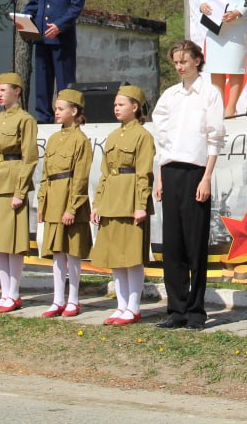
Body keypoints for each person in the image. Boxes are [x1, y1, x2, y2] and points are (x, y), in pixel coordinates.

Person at [151, 39, 224, 330]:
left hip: (196, 171)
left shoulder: (209, 94)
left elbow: (214, 137)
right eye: (176, 62)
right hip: (170, 170)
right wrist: (159, 176)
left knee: (195, 243)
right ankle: (176, 309)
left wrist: (207, 177)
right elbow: (162, 140)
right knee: (173, 244)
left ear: (197, 60)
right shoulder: (170, 96)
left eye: (184, 61)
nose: (180, 66)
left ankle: (196, 311)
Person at [90, 84, 156, 326]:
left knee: (131, 256)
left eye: (121, 104)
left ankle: (134, 307)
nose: (115, 108)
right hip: (111, 199)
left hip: (130, 199)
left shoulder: (143, 136)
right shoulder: (113, 136)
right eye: (115, 104)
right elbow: (104, 173)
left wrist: (140, 204)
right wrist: (97, 204)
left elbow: (144, 173)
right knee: (115, 257)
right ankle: (120, 305)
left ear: (135, 107)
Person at [0, 72, 39, 313]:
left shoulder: (25, 120)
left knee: (13, 243)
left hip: (12, 181)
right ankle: (4, 292)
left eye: (4, 90)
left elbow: (29, 157)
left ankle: (14, 292)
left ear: (17, 91)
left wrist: (20, 190)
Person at [38, 88, 93, 317]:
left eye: (61, 109)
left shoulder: (81, 140)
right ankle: (57, 299)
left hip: (70, 200)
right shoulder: (53, 139)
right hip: (53, 201)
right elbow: (45, 175)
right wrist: (42, 204)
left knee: (72, 253)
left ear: (74, 110)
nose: (56, 113)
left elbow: (81, 177)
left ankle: (74, 299)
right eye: (55, 109)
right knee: (57, 253)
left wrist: (72, 207)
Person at [23, 0, 88, 123]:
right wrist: (25, 18)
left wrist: (60, 25)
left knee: (64, 81)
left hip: (62, 38)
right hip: (42, 37)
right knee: (42, 79)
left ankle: (69, 117)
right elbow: (33, 3)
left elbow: (76, 6)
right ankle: (43, 117)